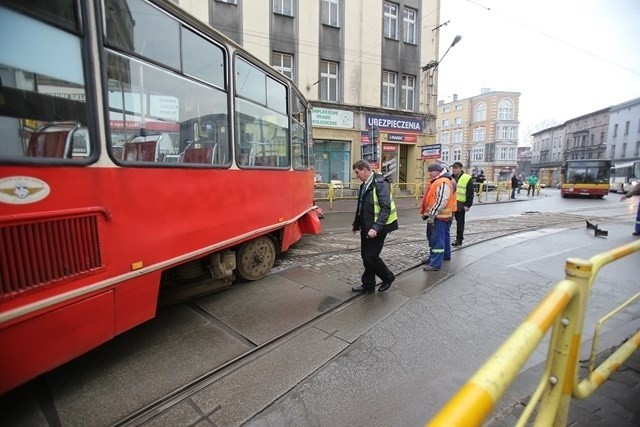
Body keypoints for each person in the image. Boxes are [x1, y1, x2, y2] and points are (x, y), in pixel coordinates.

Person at [351, 159, 398, 293]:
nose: (357, 175)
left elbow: (385, 208)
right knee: (365, 256)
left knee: (370, 256)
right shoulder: (364, 184)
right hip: (367, 226)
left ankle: (388, 277)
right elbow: (361, 207)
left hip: (378, 227)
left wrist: (376, 227)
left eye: (357, 172)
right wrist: (356, 224)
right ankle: (368, 285)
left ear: (365, 170)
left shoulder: (380, 183)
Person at [419, 162, 456, 271]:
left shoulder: (442, 181)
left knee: (436, 240)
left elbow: (441, 201)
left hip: (439, 217)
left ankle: (435, 263)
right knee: (440, 238)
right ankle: (437, 258)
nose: (429, 174)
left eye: (430, 171)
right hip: (440, 216)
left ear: (437, 171)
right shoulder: (441, 180)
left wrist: (432, 214)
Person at [450, 161, 474, 246]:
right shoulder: (450, 177)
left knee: (460, 223)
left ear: (460, 169)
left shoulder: (467, 178)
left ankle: (459, 239)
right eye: (453, 168)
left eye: (456, 168)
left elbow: (470, 192)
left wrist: (468, 205)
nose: (454, 169)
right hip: (451, 204)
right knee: (448, 222)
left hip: (461, 204)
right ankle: (446, 238)